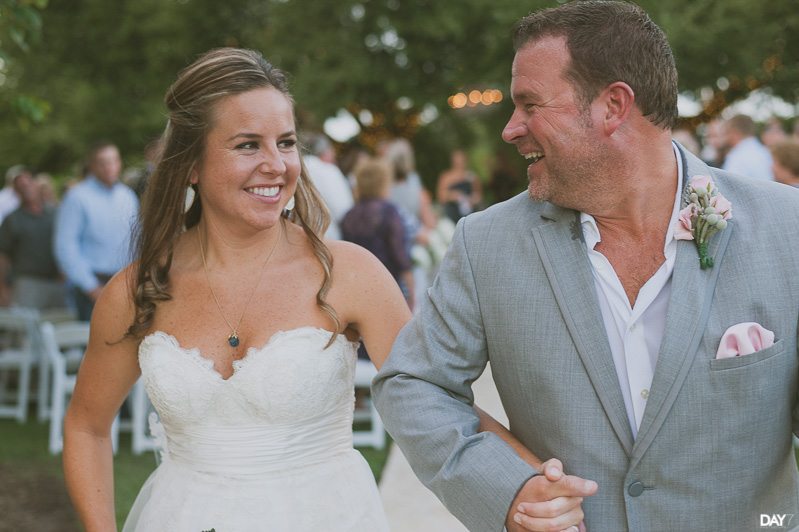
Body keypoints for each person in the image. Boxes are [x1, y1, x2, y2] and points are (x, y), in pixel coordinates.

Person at [62, 48, 540, 532]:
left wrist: (528, 482)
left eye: (286, 143)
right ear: (190, 164)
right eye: (248, 145)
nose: (276, 165)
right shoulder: (139, 287)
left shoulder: (348, 273)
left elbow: (435, 403)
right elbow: (86, 425)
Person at [373, 2, 799, 531]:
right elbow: (413, 382)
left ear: (613, 106)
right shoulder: (487, 244)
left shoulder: (789, 229)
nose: (511, 129)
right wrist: (508, 490)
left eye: (529, 104)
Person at [54, 141, 139, 320]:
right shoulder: (77, 197)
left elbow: (136, 238)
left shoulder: (127, 196)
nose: (109, 167)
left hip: (125, 284)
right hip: (91, 287)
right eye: (103, 162)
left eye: (114, 161)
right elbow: (65, 246)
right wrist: (90, 287)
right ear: (92, 166)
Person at [341, 158, 414, 310]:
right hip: (389, 287)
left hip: (358, 289)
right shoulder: (389, 211)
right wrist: (412, 295)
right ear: (383, 183)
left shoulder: (349, 216)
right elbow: (400, 255)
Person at [0, 169, 66, 309]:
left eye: (28, 183)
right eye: (20, 186)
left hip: (56, 281)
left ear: (36, 184)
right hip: (27, 282)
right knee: (27, 326)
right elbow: (3, 256)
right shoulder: (12, 220)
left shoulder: (55, 213)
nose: (26, 188)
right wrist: (2, 287)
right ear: (16, 192)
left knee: (59, 323)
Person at [302, 132, 354, 240]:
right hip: (328, 236)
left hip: (298, 235)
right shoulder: (329, 171)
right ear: (325, 152)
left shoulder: (296, 169)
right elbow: (343, 209)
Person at [721, 114, 774, 180]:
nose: (725, 137)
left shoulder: (737, 156)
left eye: (727, 132)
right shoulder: (765, 152)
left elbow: (729, 185)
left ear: (734, 132)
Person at [437, 149, 483, 223]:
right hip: (452, 214)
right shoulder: (446, 177)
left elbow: (478, 195)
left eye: (462, 161)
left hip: (470, 214)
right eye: (457, 162)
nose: (460, 164)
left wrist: (473, 199)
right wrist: (453, 196)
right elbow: (441, 197)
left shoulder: (472, 176)